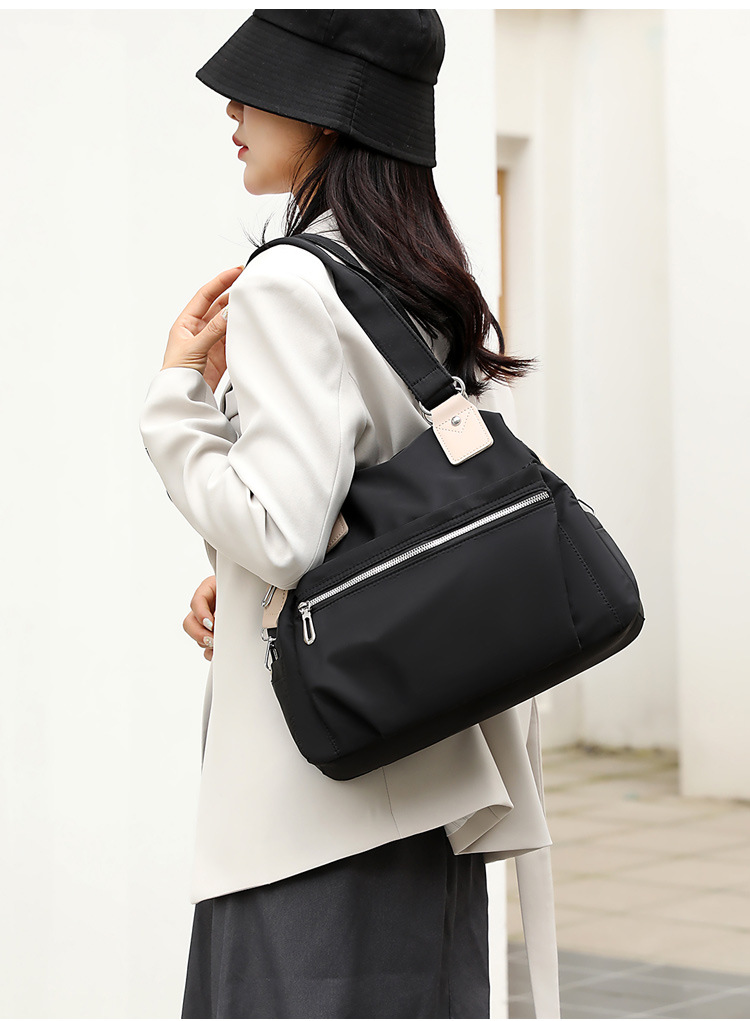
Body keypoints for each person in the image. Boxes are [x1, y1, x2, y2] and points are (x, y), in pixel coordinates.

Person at [139, 10, 558, 1020]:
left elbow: (282, 531)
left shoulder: (290, 279)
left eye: (258, 88)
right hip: (426, 771)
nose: (232, 109)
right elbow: (373, 507)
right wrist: (244, 580)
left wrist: (176, 403)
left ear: (326, 112)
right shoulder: (409, 272)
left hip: (314, 810)